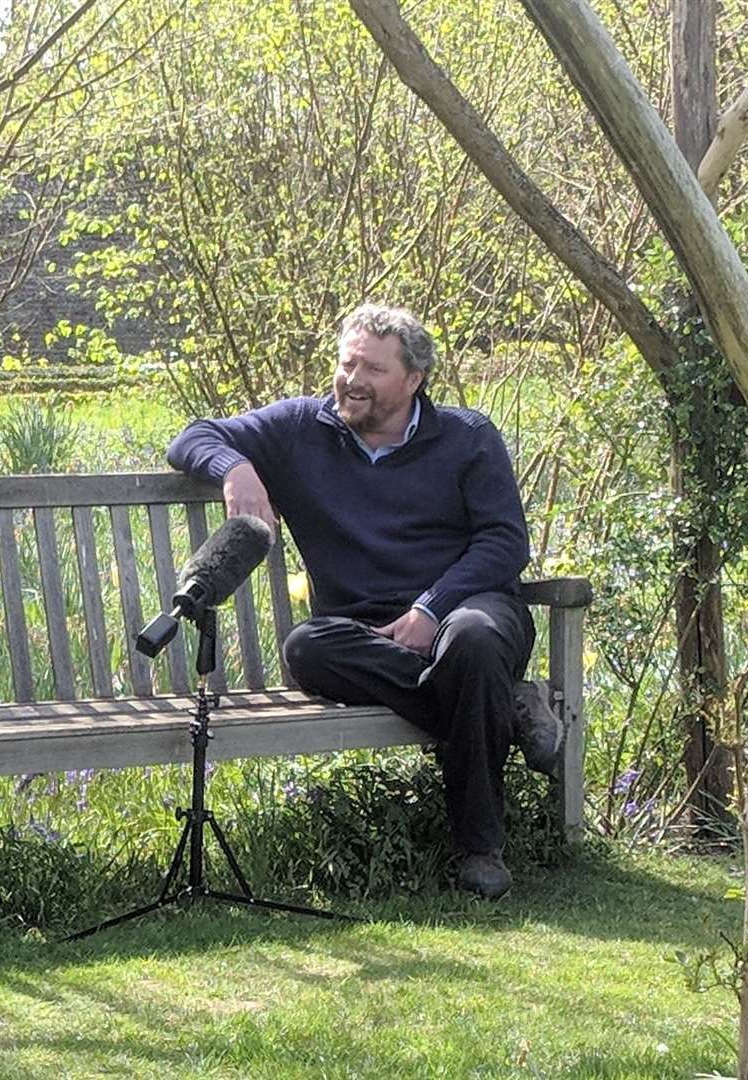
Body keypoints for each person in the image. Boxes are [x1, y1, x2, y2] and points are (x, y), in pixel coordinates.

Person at [166, 303, 562, 898]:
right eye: (346, 363)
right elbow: (191, 436)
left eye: (372, 369)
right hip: (363, 635)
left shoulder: (467, 437)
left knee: (472, 643)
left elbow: (505, 542)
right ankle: (506, 703)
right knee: (306, 647)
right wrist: (236, 468)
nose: (352, 380)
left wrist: (431, 608)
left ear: (413, 379)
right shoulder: (302, 428)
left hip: (470, 607)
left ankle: (480, 850)